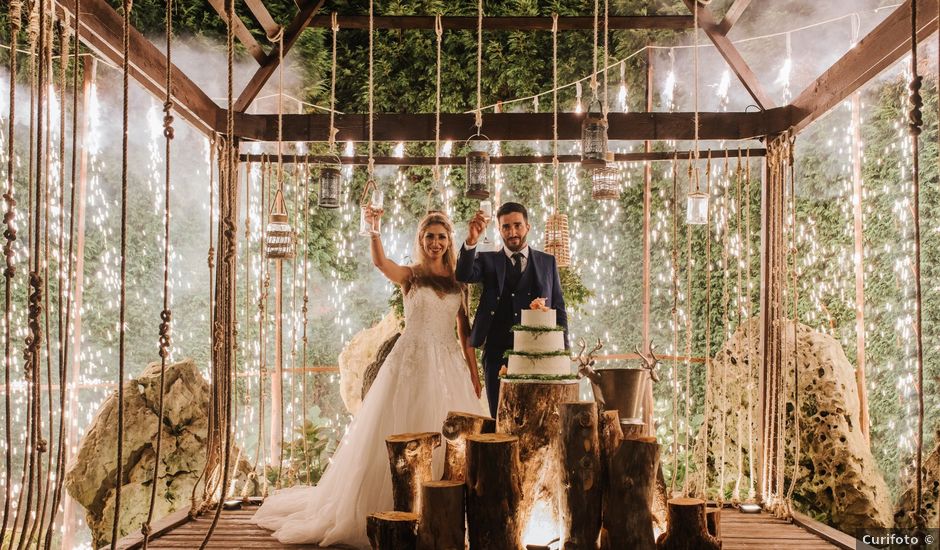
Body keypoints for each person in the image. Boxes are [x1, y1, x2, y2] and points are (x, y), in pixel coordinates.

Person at [253, 210, 484, 548]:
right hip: (412, 361)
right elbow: (381, 264)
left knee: (450, 437)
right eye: (429, 236)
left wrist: (474, 376)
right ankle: (400, 511)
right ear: (421, 241)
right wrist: (374, 230)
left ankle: (443, 515)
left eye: (441, 237)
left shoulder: (458, 281)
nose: (435, 242)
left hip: (448, 364)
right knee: (404, 429)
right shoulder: (411, 276)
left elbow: (465, 335)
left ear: (449, 241)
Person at [456, 201, 568, 418]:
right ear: (499, 229)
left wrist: (563, 353)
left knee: (538, 419)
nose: (513, 232)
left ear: (528, 226)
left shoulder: (548, 262)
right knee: (500, 419)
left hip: (539, 357)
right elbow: (463, 275)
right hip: (497, 354)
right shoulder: (488, 261)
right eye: (506, 227)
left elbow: (558, 308)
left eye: (517, 225)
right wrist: (471, 241)